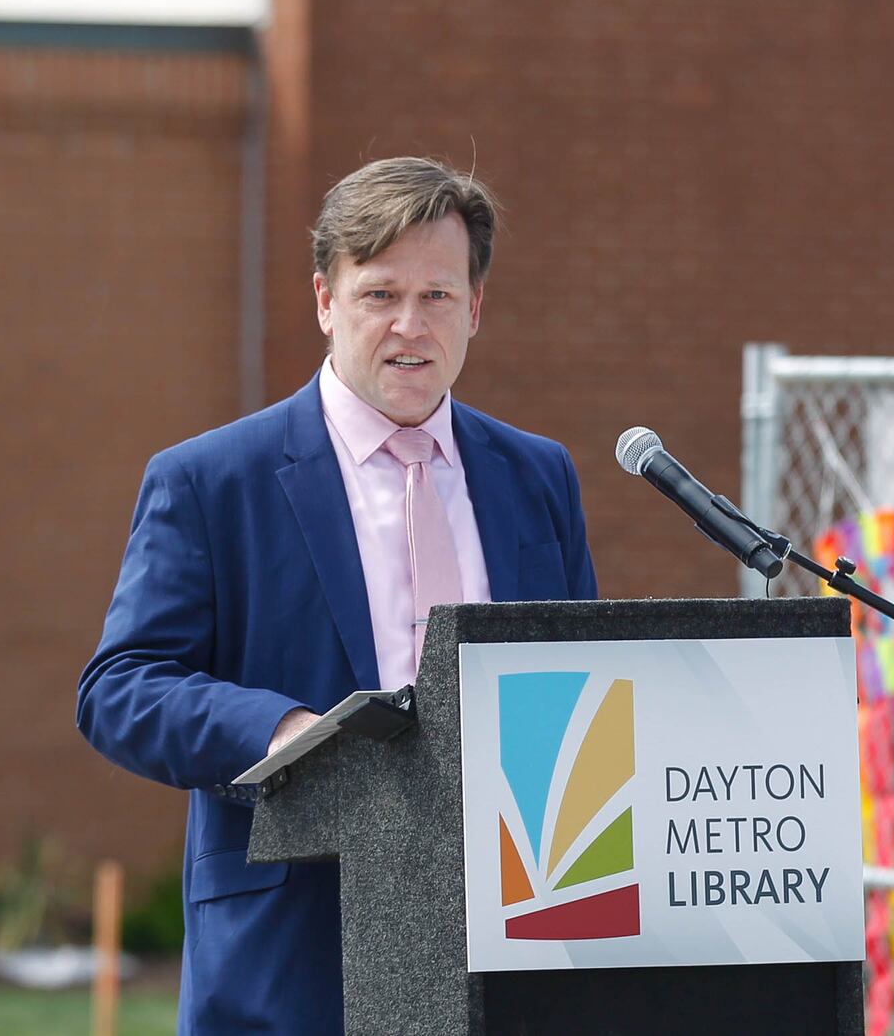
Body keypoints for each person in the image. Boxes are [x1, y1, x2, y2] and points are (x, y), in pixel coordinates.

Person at [76, 156, 598, 1034]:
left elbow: (581, 686)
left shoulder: (538, 476)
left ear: (475, 309)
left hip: (519, 944)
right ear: (325, 301)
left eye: (437, 295)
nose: (409, 325)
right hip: (294, 954)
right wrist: (284, 732)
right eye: (379, 294)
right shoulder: (212, 482)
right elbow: (120, 688)